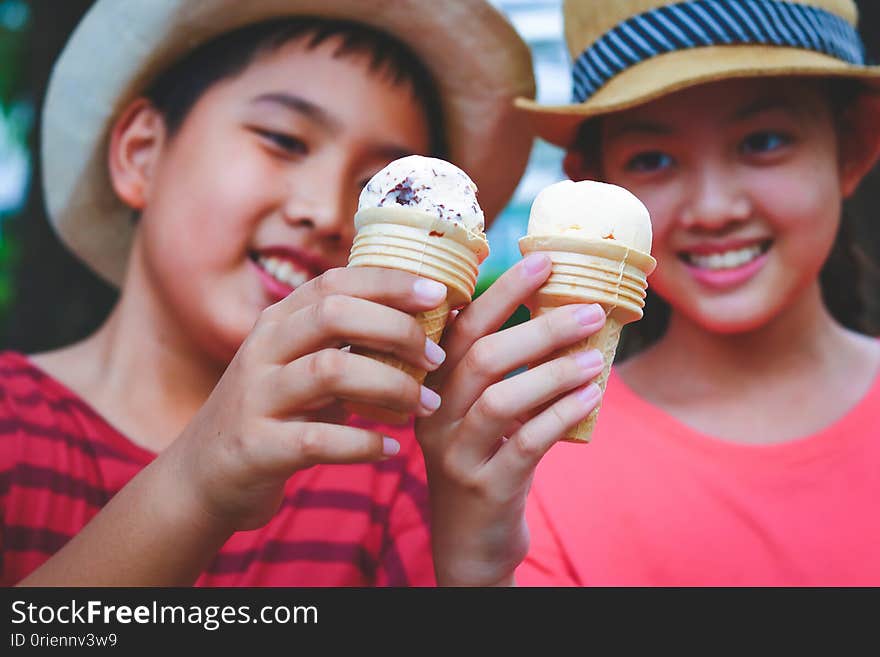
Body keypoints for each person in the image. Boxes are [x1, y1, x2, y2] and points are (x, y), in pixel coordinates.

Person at [0, 0, 549, 586]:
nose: (326, 212)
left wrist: (475, 572)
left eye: (377, 189)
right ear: (141, 152)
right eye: (284, 140)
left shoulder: (396, 472)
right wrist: (193, 483)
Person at [502, 0, 880, 585]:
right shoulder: (528, 469)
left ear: (852, 148)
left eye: (763, 141)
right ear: (594, 189)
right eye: (653, 158)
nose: (713, 209)